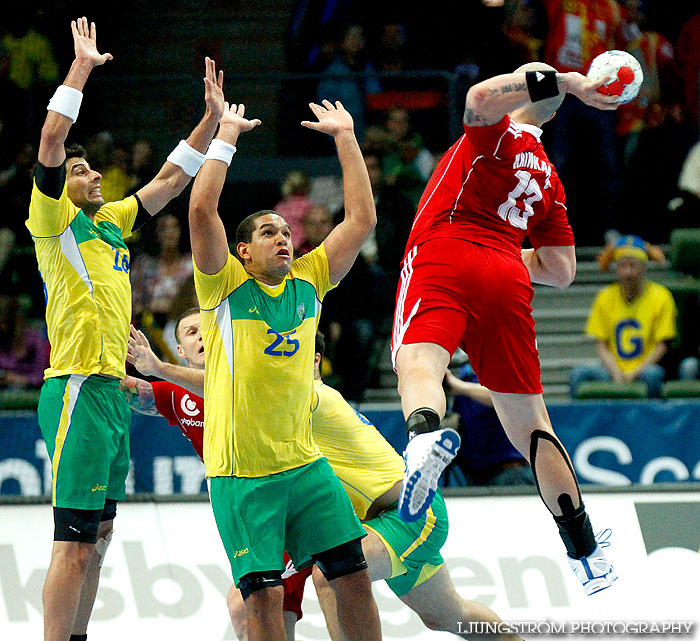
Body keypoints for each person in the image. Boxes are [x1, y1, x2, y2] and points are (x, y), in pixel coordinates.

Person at [126, 326, 519, 641]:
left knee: (331, 573)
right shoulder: (282, 402)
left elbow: (231, 388)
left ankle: (423, 454)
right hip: (377, 524)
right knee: (451, 616)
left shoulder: (304, 395)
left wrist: (159, 367)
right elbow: (202, 396)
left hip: (409, 515)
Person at [25, 18, 225, 641]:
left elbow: (170, 179)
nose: (89, 176)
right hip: (78, 386)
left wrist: (212, 120)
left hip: (114, 391)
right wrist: (81, 66)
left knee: (101, 537)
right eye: (81, 172)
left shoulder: (109, 221)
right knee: (74, 542)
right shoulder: (54, 222)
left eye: (91, 172)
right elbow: (53, 139)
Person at [391, 61, 620, 596]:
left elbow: (477, 96)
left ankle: (423, 438)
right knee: (533, 423)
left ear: (523, 91)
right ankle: (585, 550)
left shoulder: (496, 133)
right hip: (506, 271)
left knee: (419, 361)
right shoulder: (548, 176)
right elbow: (562, 271)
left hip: (445, 250)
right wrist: (509, 253)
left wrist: (570, 81)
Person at [188, 95, 381, 641]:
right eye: (268, 233)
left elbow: (362, 217)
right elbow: (202, 211)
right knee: (264, 599)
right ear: (242, 252)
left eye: (286, 231)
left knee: (354, 576)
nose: (283, 238)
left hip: (303, 466)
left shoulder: (311, 282)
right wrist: (226, 134)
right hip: (242, 475)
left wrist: (345, 137)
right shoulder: (224, 289)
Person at [123, 310, 311, 641]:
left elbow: (222, 387)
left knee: (245, 604)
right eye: (191, 332)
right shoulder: (174, 394)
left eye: (207, 329)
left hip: (289, 503)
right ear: (180, 349)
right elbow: (125, 391)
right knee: (270, 613)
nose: (200, 336)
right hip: (249, 515)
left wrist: (158, 368)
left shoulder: (250, 372)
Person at [569, 234, 677, 398]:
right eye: (623, 266)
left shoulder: (661, 296)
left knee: (654, 375)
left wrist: (636, 371)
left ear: (643, 267)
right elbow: (601, 344)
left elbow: (662, 345)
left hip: (645, 368)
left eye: (633, 266)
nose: (628, 272)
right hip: (613, 368)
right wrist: (616, 371)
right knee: (579, 374)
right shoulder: (605, 296)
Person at [444, 364, 535, 487]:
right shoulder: (465, 377)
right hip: (478, 476)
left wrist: (458, 386)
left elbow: (508, 396)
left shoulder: (499, 366)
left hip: (510, 472)